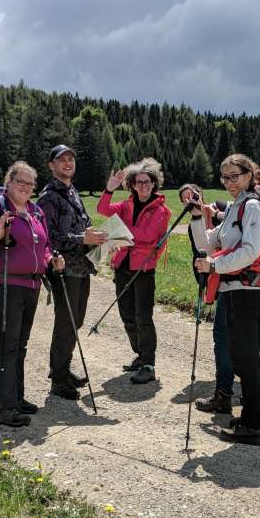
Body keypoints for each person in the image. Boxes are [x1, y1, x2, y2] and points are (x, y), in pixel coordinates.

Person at [0, 162, 65, 427]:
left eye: (30, 184)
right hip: (3, 286)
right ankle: (5, 408)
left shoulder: (35, 211)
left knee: (19, 345)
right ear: (8, 181)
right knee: (5, 346)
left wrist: (51, 260)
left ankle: (16, 399)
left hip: (30, 286)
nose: (25, 187)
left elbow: (43, 246)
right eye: (20, 182)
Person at [194, 154, 260, 445]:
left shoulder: (251, 206)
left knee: (244, 357)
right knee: (244, 355)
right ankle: (257, 417)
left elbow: (251, 251)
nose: (229, 182)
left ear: (249, 175)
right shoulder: (236, 208)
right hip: (234, 289)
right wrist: (198, 215)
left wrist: (214, 266)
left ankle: (253, 424)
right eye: (224, 177)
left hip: (246, 290)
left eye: (234, 176)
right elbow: (206, 243)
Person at [37, 145, 109, 400]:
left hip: (81, 267)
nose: (68, 163)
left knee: (75, 321)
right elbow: (48, 237)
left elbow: (84, 224)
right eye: (61, 160)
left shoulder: (72, 192)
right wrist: (82, 237)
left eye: (70, 159)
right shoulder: (48, 197)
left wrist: (95, 236)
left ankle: (64, 369)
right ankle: (58, 379)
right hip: (63, 268)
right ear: (51, 166)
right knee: (66, 322)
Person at [97, 158, 172, 384]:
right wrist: (109, 189)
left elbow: (149, 236)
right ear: (132, 184)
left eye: (147, 181)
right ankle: (140, 355)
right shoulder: (126, 205)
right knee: (127, 315)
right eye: (139, 182)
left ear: (154, 183)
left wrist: (119, 230)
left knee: (143, 317)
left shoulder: (162, 210)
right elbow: (102, 209)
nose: (143, 185)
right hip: (123, 266)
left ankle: (149, 364)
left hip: (144, 270)